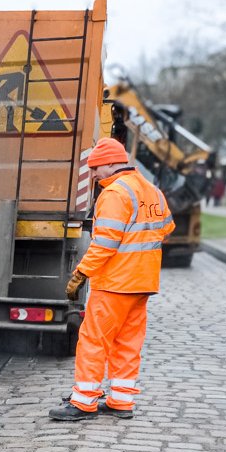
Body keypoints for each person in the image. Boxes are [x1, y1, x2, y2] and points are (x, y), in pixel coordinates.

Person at [50, 137, 174, 422]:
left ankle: (83, 402)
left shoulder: (115, 193)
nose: (93, 176)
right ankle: (121, 400)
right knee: (127, 343)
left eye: (95, 169)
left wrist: (82, 272)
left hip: (115, 283)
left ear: (109, 163)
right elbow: (166, 228)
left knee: (93, 340)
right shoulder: (152, 190)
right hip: (142, 283)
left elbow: (104, 243)